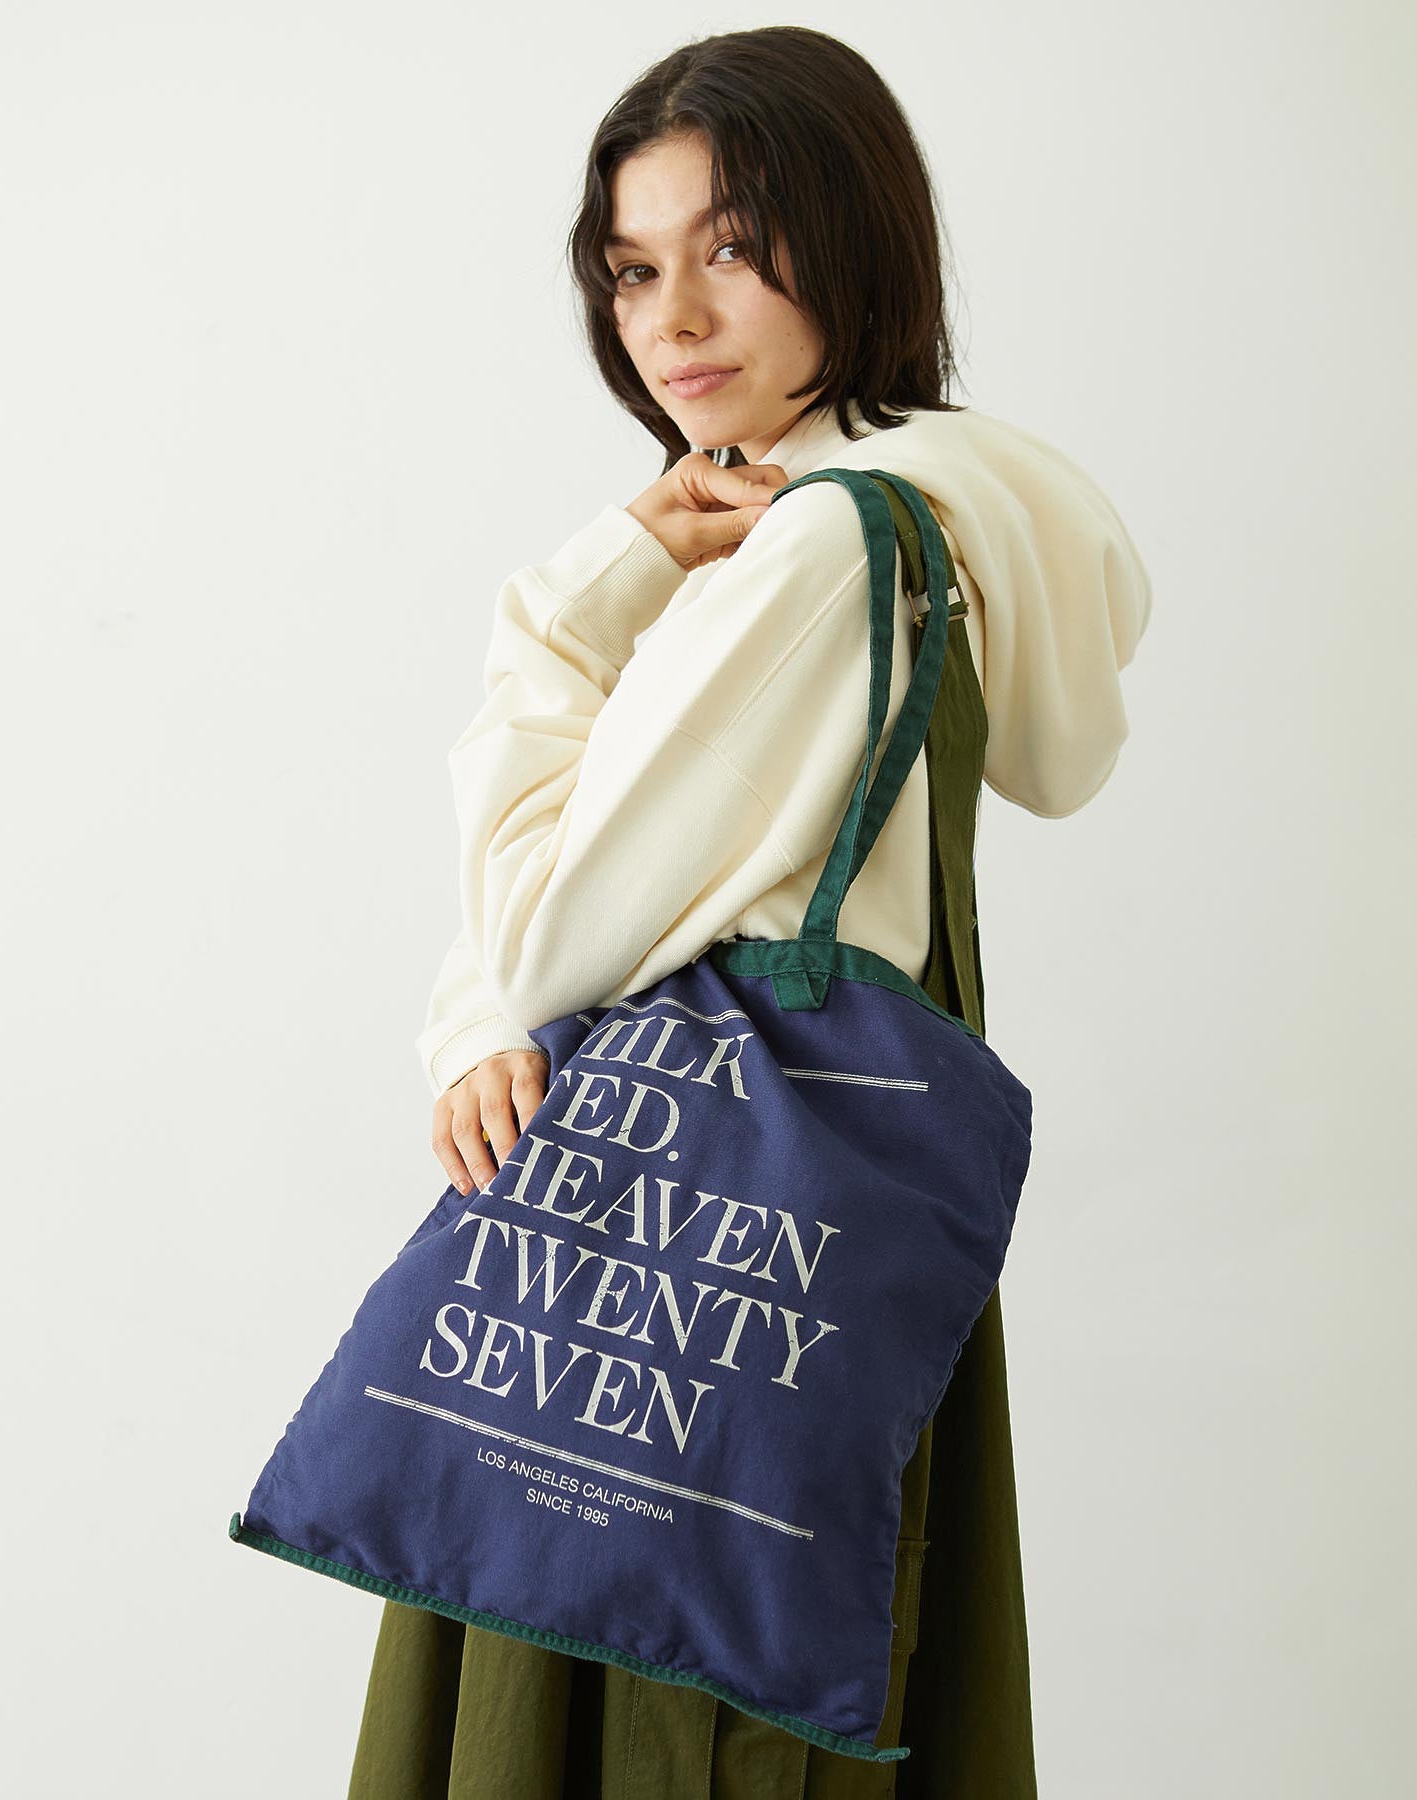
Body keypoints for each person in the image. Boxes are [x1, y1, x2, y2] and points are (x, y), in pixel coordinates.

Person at [347, 25, 1151, 1800]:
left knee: (651, 1725)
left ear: (853, 238)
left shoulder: (813, 550)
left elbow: (547, 939)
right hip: (785, 1254)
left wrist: (575, 606)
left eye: (734, 246)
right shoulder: (932, 521)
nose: (675, 319)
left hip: (665, 1288)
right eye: (633, 268)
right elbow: (597, 895)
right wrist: (480, 1017)